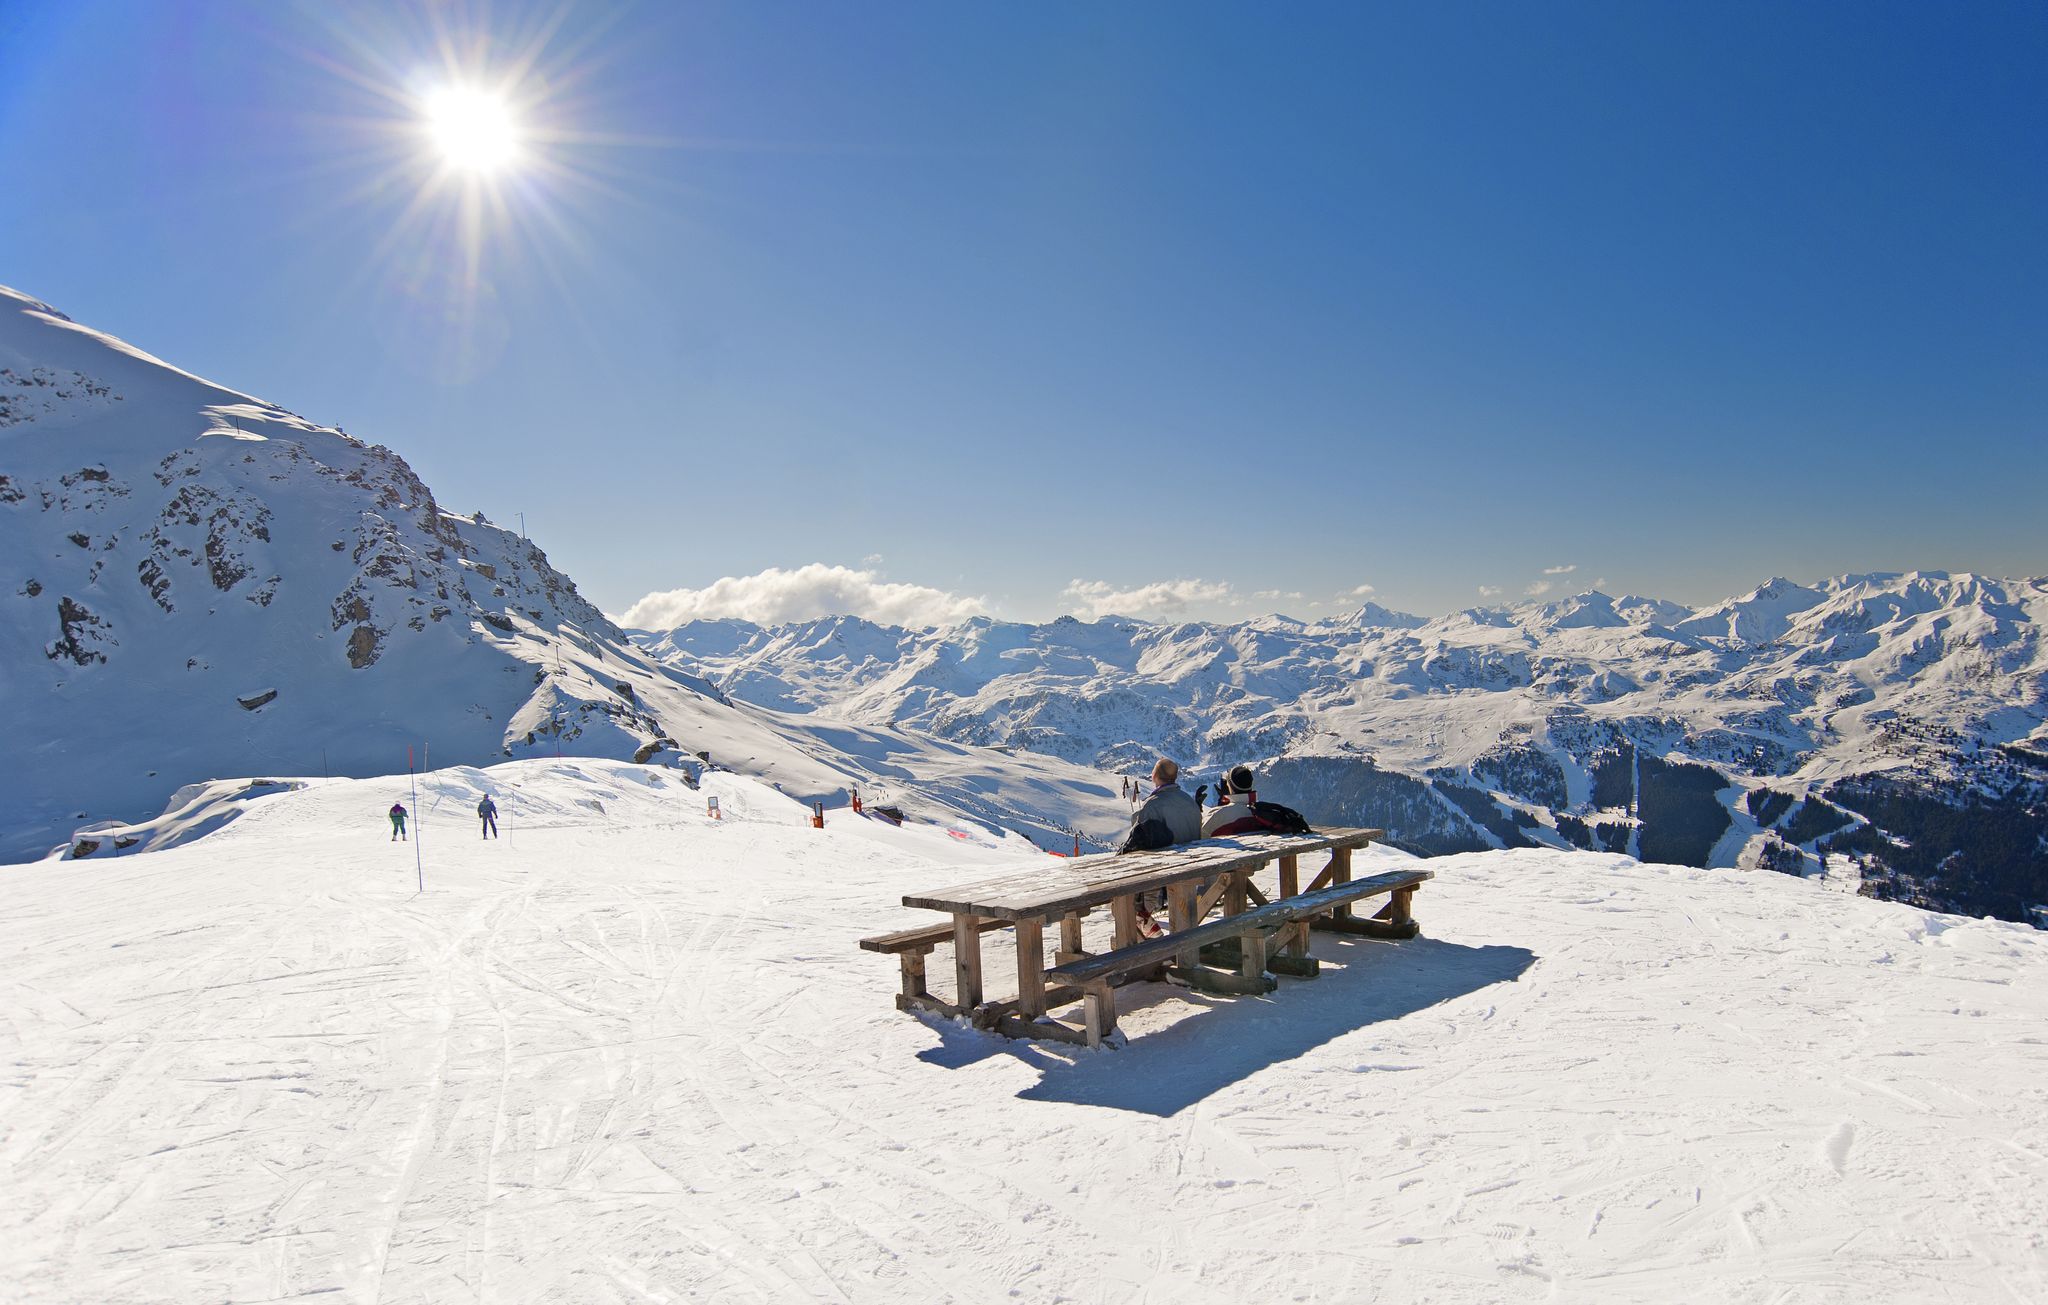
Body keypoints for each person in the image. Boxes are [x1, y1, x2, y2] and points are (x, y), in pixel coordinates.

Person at [1120, 758, 1202, 936]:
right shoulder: (1189, 802)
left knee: (1122, 901)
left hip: (1164, 875)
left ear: (1154, 776)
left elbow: (1137, 838)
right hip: (1194, 867)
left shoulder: (1153, 805)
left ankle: (1146, 936)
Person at [1202, 764, 1266, 837]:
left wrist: (1197, 811)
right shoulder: (1262, 811)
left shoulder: (1218, 815)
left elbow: (1200, 835)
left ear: (1229, 786)